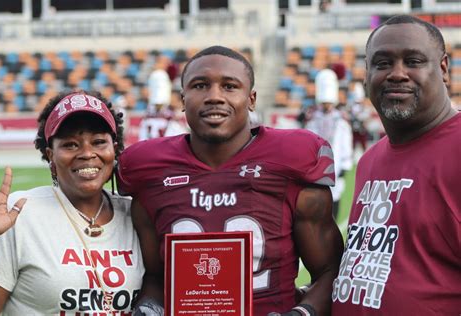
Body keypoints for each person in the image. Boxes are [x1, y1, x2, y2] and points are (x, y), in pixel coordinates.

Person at [118, 46, 344, 315]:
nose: (214, 97)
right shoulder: (150, 169)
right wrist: (148, 307)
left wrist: (302, 313)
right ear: (182, 99)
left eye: (229, 86)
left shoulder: (292, 160)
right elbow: (154, 277)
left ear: (251, 99)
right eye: (200, 86)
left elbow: (332, 271)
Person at [332, 15, 461, 315]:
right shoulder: (369, 160)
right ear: (365, 74)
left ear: (443, 69)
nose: (397, 74)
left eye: (413, 61)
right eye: (382, 63)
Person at [0, 91, 145, 314]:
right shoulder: (18, 212)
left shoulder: (137, 213)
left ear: (115, 149)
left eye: (99, 142)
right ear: (50, 155)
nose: (87, 153)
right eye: (71, 145)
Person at [305, 69, 353, 220]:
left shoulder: (341, 119)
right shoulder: (313, 118)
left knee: (336, 193)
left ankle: (334, 222)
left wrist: (345, 165)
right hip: (317, 162)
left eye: (328, 103)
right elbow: (308, 140)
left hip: (336, 160)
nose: (326, 106)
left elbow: (346, 142)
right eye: (324, 102)